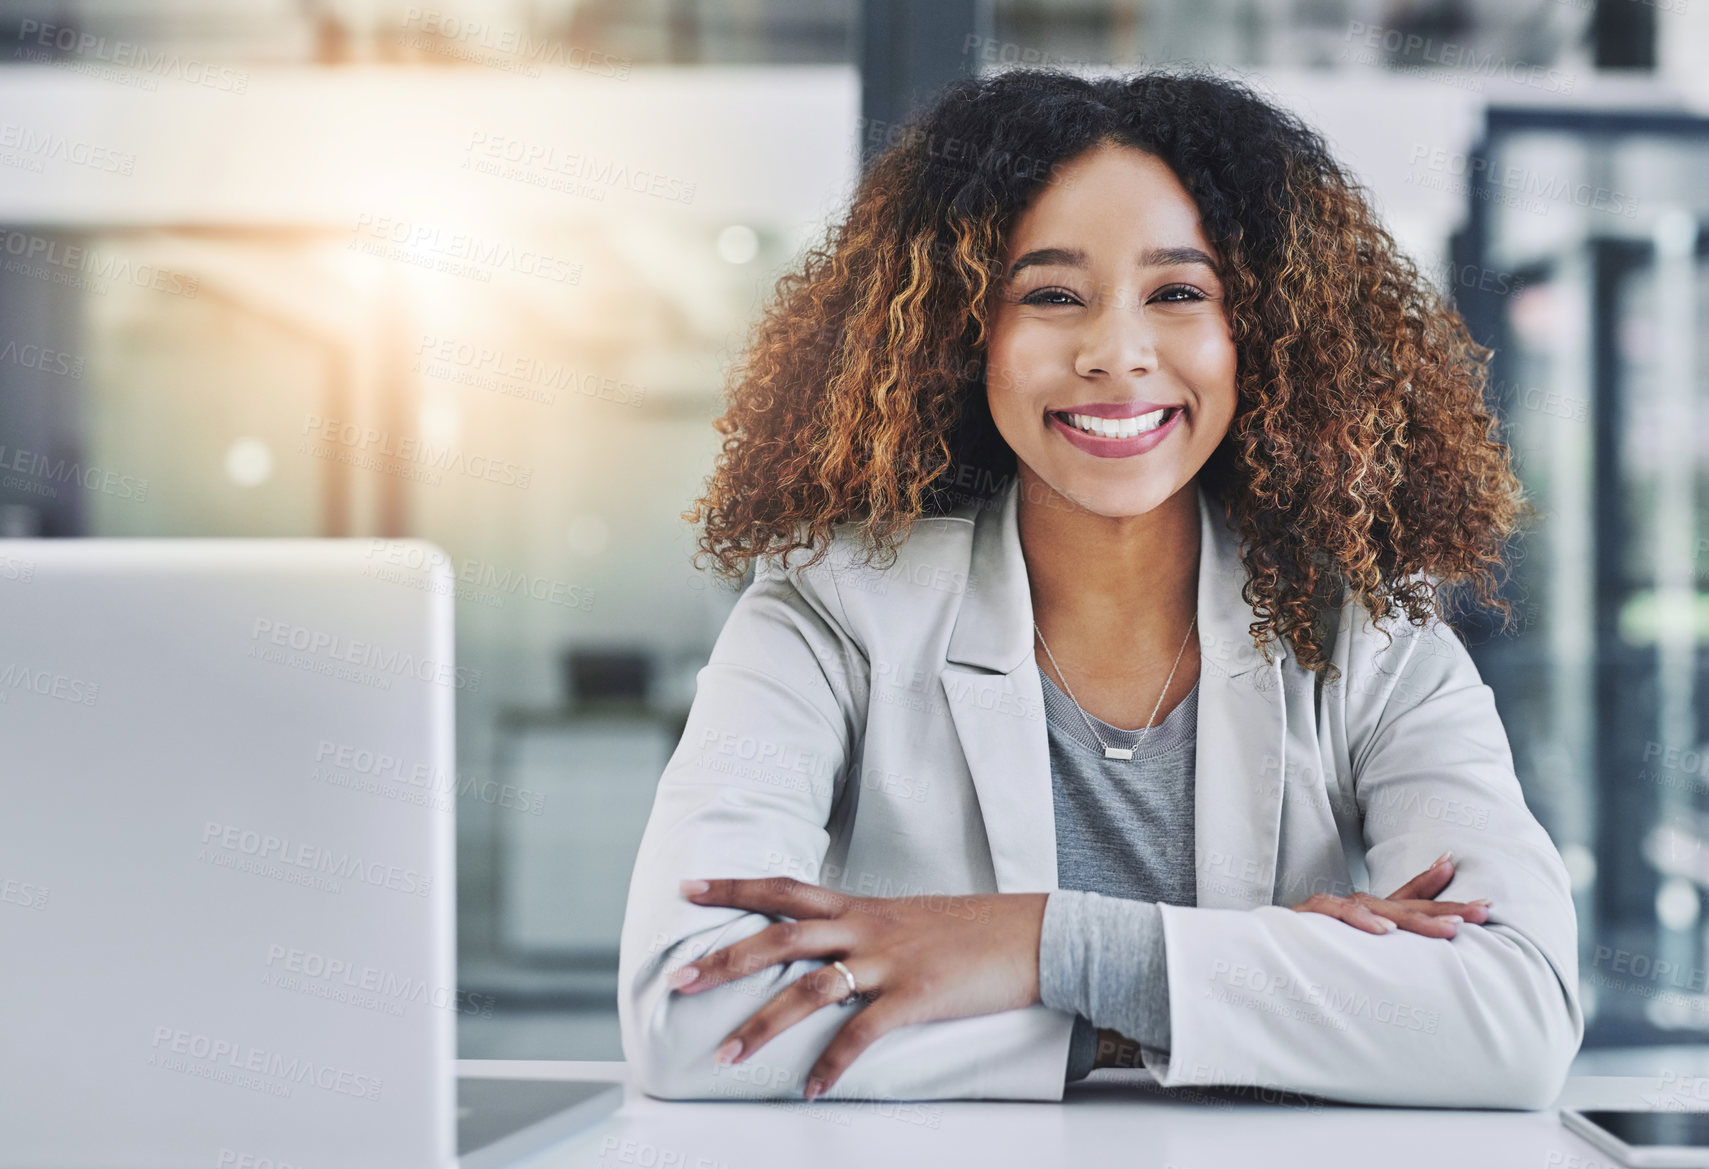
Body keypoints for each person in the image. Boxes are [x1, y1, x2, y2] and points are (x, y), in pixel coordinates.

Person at [616, 66, 1581, 1109]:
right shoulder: (825, 612)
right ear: (960, 332)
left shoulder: (1369, 633)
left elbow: (1512, 1014)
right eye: (1049, 295)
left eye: (1177, 293)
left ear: (1256, 332)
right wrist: (1237, 992)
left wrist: (1025, 941)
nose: (1114, 353)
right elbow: (694, 1018)